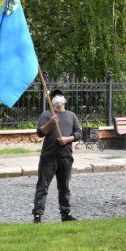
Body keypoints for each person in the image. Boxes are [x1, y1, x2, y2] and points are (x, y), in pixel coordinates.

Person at [32, 89, 82, 223]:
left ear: (65, 99)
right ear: (51, 100)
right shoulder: (47, 115)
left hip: (65, 157)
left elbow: (78, 133)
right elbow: (40, 133)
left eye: (60, 95)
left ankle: (66, 214)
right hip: (49, 157)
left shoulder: (71, 115)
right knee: (43, 186)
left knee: (64, 187)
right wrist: (50, 123)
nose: (58, 98)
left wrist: (68, 139)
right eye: (54, 96)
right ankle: (38, 215)